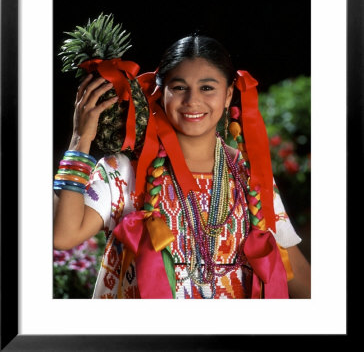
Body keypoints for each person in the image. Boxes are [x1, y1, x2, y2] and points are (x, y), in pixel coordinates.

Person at [53, 35, 311, 299]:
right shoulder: (122, 171)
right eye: (178, 87)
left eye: (207, 88)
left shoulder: (250, 173)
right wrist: (80, 139)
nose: (192, 100)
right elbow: (63, 236)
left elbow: (294, 270)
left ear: (228, 95)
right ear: (159, 92)